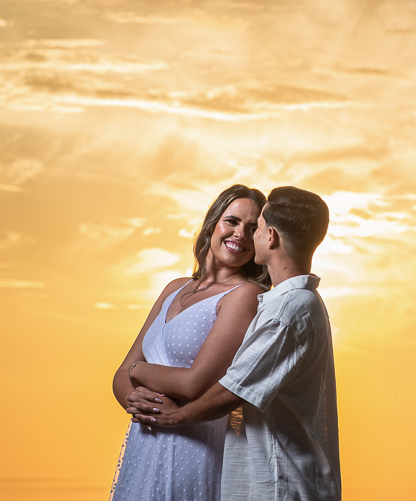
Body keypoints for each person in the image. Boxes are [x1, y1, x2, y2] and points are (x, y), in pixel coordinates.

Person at [127, 186, 340, 501]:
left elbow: (234, 388)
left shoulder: (287, 310)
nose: (247, 236)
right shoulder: (285, 302)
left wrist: (175, 414)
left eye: (256, 228)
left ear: (270, 238)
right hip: (272, 476)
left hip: (280, 480)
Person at [110, 185, 271, 501]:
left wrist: (139, 371)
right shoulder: (174, 287)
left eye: (252, 229)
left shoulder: (245, 295)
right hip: (143, 441)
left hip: (192, 447)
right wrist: (136, 401)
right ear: (212, 223)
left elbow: (192, 384)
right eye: (233, 221)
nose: (240, 234)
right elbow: (120, 373)